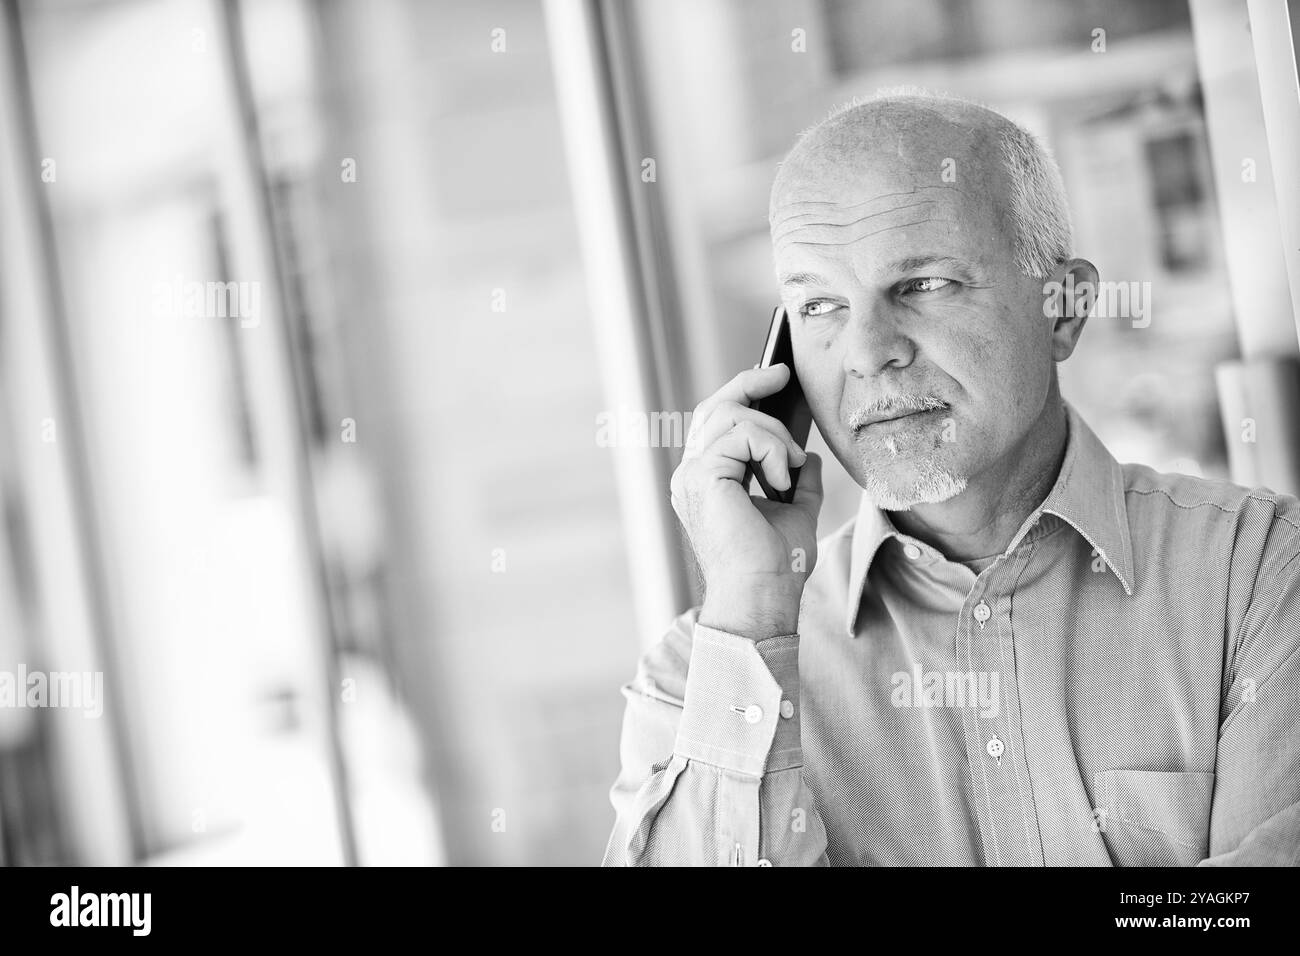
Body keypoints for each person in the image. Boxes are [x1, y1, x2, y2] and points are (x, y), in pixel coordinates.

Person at [601, 89, 1300, 866]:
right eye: (820, 305)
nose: (868, 352)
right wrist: (754, 606)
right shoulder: (700, 684)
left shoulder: (1262, 573)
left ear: (1063, 308)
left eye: (923, 285)